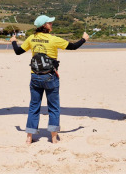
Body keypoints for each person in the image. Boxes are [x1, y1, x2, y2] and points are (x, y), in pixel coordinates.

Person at [10, 15, 89, 144]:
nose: (52, 24)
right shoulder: (54, 39)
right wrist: (84, 39)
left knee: (34, 107)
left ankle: (29, 138)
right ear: (44, 25)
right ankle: (53, 138)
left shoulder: (31, 38)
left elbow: (18, 51)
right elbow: (74, 46)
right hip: (50, 77)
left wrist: (13, 41)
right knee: (53, 107)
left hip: (35, 77)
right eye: (49, 23)